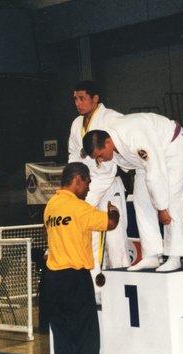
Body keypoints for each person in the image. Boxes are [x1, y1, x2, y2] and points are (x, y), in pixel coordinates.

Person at [43, 162, 119, 354]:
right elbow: (110, 223)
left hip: (52, 282)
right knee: (87, 343)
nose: (88, 188)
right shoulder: (79, 208)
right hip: (75, 282)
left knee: (64, 344)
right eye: (87, 182)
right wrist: (113, 207)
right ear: (77, 179)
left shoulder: (50, 206)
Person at [82, 112, 183, 272]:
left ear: (107, 143)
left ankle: (174, 256)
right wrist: (83, 206)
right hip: (144, 162)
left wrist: (161, 208)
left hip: (171, 146)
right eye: (97, 158)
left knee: (172, 198)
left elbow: (155, 171)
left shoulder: (133, 136)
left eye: (100, 155)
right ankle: (151, 254)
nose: (101, 160)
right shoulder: (108, 147)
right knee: (141, 200)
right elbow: (103, 178)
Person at [67, 80, 130, 300]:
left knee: (115, 243)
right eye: (75, 98)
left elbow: (110, 164)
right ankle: (96, 293)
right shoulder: (76, 124)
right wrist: (74, 192)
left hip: (109, 187)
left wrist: (85, 201)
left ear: (95, 99)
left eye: (82, 98)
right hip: (87, 189)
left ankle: (122, 293)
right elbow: (74, 158)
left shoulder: (112, 119)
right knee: (90, 240)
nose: (77, 103)